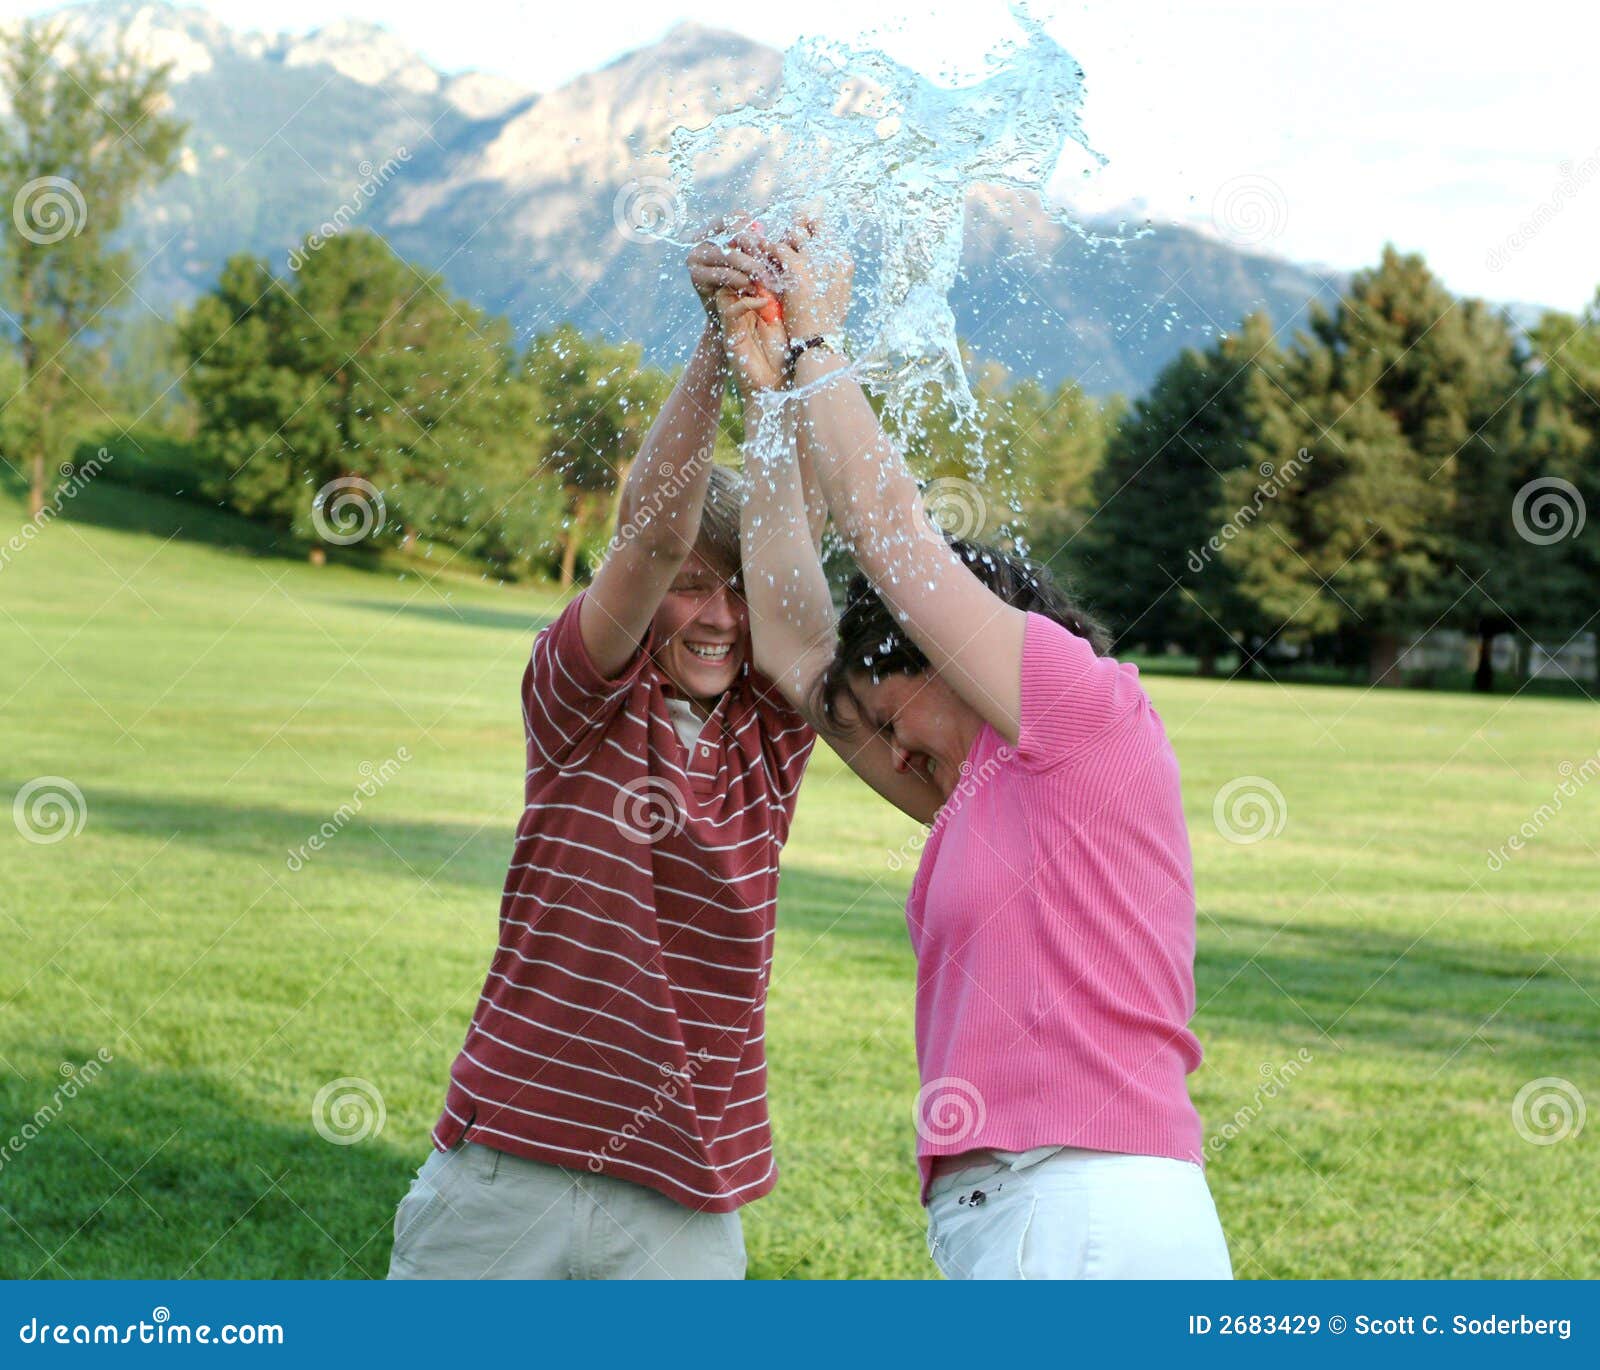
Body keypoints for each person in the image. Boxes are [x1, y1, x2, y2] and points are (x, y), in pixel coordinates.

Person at [737, 221, 1233, 1280]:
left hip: (1082, 1205)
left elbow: (889, 533)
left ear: (945, 661)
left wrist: (817, 337)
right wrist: (764, 393)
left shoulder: (1075, 714)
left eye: (887, 707)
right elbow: (788, 643)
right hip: (1018, 1215)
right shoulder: (975, 798)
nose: (885, 742)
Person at [387, 232, 819, 1280]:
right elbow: (652, 538)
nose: (717, 614)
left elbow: (789, 568)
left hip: (682, 1198)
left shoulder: (773, 734)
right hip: (508, 1172)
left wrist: (780, 369)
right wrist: (719, 348)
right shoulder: (580, 697)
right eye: (692, 585)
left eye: (737, 591)